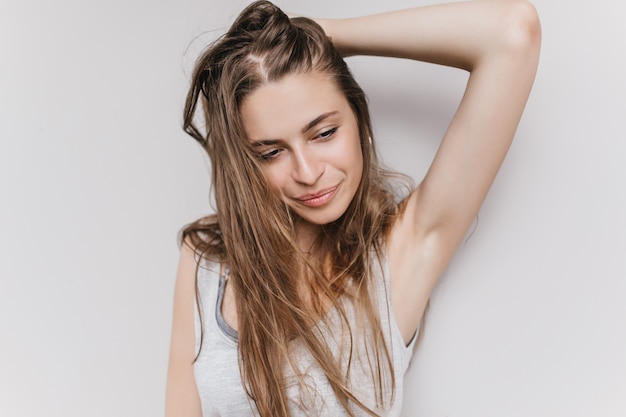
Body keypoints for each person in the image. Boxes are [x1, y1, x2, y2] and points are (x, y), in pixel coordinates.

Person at [165, 0, 541, 416]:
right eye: (272, 152)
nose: (307, 172)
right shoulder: (205, 259)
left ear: (358, 117)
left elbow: (512, 32)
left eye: (324, 133)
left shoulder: (399, 255)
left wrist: (322, 34)